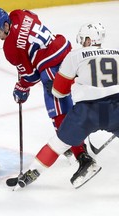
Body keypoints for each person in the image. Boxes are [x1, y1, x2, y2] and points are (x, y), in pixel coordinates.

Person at [0, 8, 95, 185]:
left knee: (57, 112)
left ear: (6, 25)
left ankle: (82, 155)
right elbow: (33, 20)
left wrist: (21, 88)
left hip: (52, 67)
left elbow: (31, 75)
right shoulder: (19, 14)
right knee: (76, 96)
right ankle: (75, 141)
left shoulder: (10, 48)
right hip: (65, 50)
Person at [15, 22, 117, 189]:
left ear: (89, 40)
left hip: (87, 113)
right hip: (116, 109)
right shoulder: (117, 53)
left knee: (57, 144)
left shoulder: (75, 55)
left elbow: (60, 92)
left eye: (84, 39)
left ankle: (31, 174)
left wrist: (58, 85)